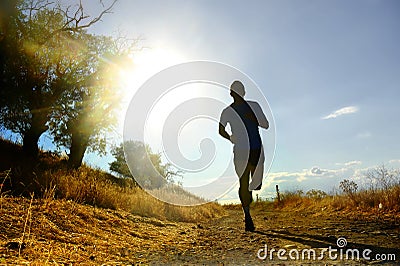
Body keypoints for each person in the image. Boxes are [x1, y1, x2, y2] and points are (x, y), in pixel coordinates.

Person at [219, 80, 269, 232]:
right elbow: (221, 130)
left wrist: (252, 118)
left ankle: (248, 199)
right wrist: (231, 138)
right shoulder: (229, 111)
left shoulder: (252, 106)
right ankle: (247, 216)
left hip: (251, 149)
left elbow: (265, 124)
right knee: (244, 182)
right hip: (244, 150)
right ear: (233, 93)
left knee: (252, 184)